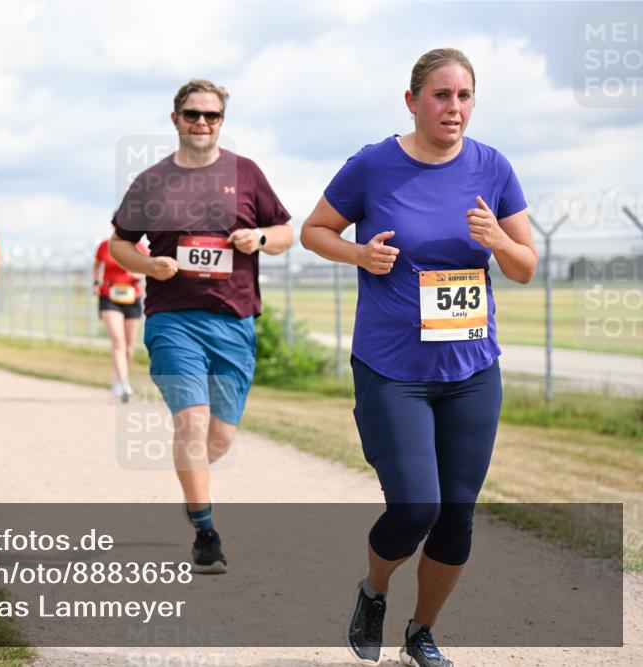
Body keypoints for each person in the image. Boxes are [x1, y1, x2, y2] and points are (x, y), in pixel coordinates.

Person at [300, 48, 537, 667]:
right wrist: (358, 255)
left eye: (463, 97)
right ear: (412, 101)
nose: (452, 108)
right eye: (440, 96)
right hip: (392, 369)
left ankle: (422, 633)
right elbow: (314, 230)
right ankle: (373, 589)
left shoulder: (493, 167)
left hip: (471, 371)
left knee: (456, 515)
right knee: (415, 508)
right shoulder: (374, 165)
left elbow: (526, 267)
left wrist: (498, 241)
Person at [109, 79, 293, 574]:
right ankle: (205, 532)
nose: (202, 123)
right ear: (175, 119)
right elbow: (119, 244)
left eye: (211, 116)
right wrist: (148, 267)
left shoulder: (247, 174)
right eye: (193, 114)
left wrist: (258, 237)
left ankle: (192, 485)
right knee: (189, 423)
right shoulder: (151, 181)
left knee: (219, 438)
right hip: (173, 319)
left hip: (233, 320)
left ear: (222, 122)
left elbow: (285, 232)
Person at [93, 227, 147, 402]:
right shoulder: (105, 245)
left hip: (132, 296)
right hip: (110, 296)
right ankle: (123, 384)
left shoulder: (140, 246)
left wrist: (137, 272)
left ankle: (120, 376)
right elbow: (97, 265)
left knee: (129, 347)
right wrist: (96, 282)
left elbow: (149, 267)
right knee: (118, 341)